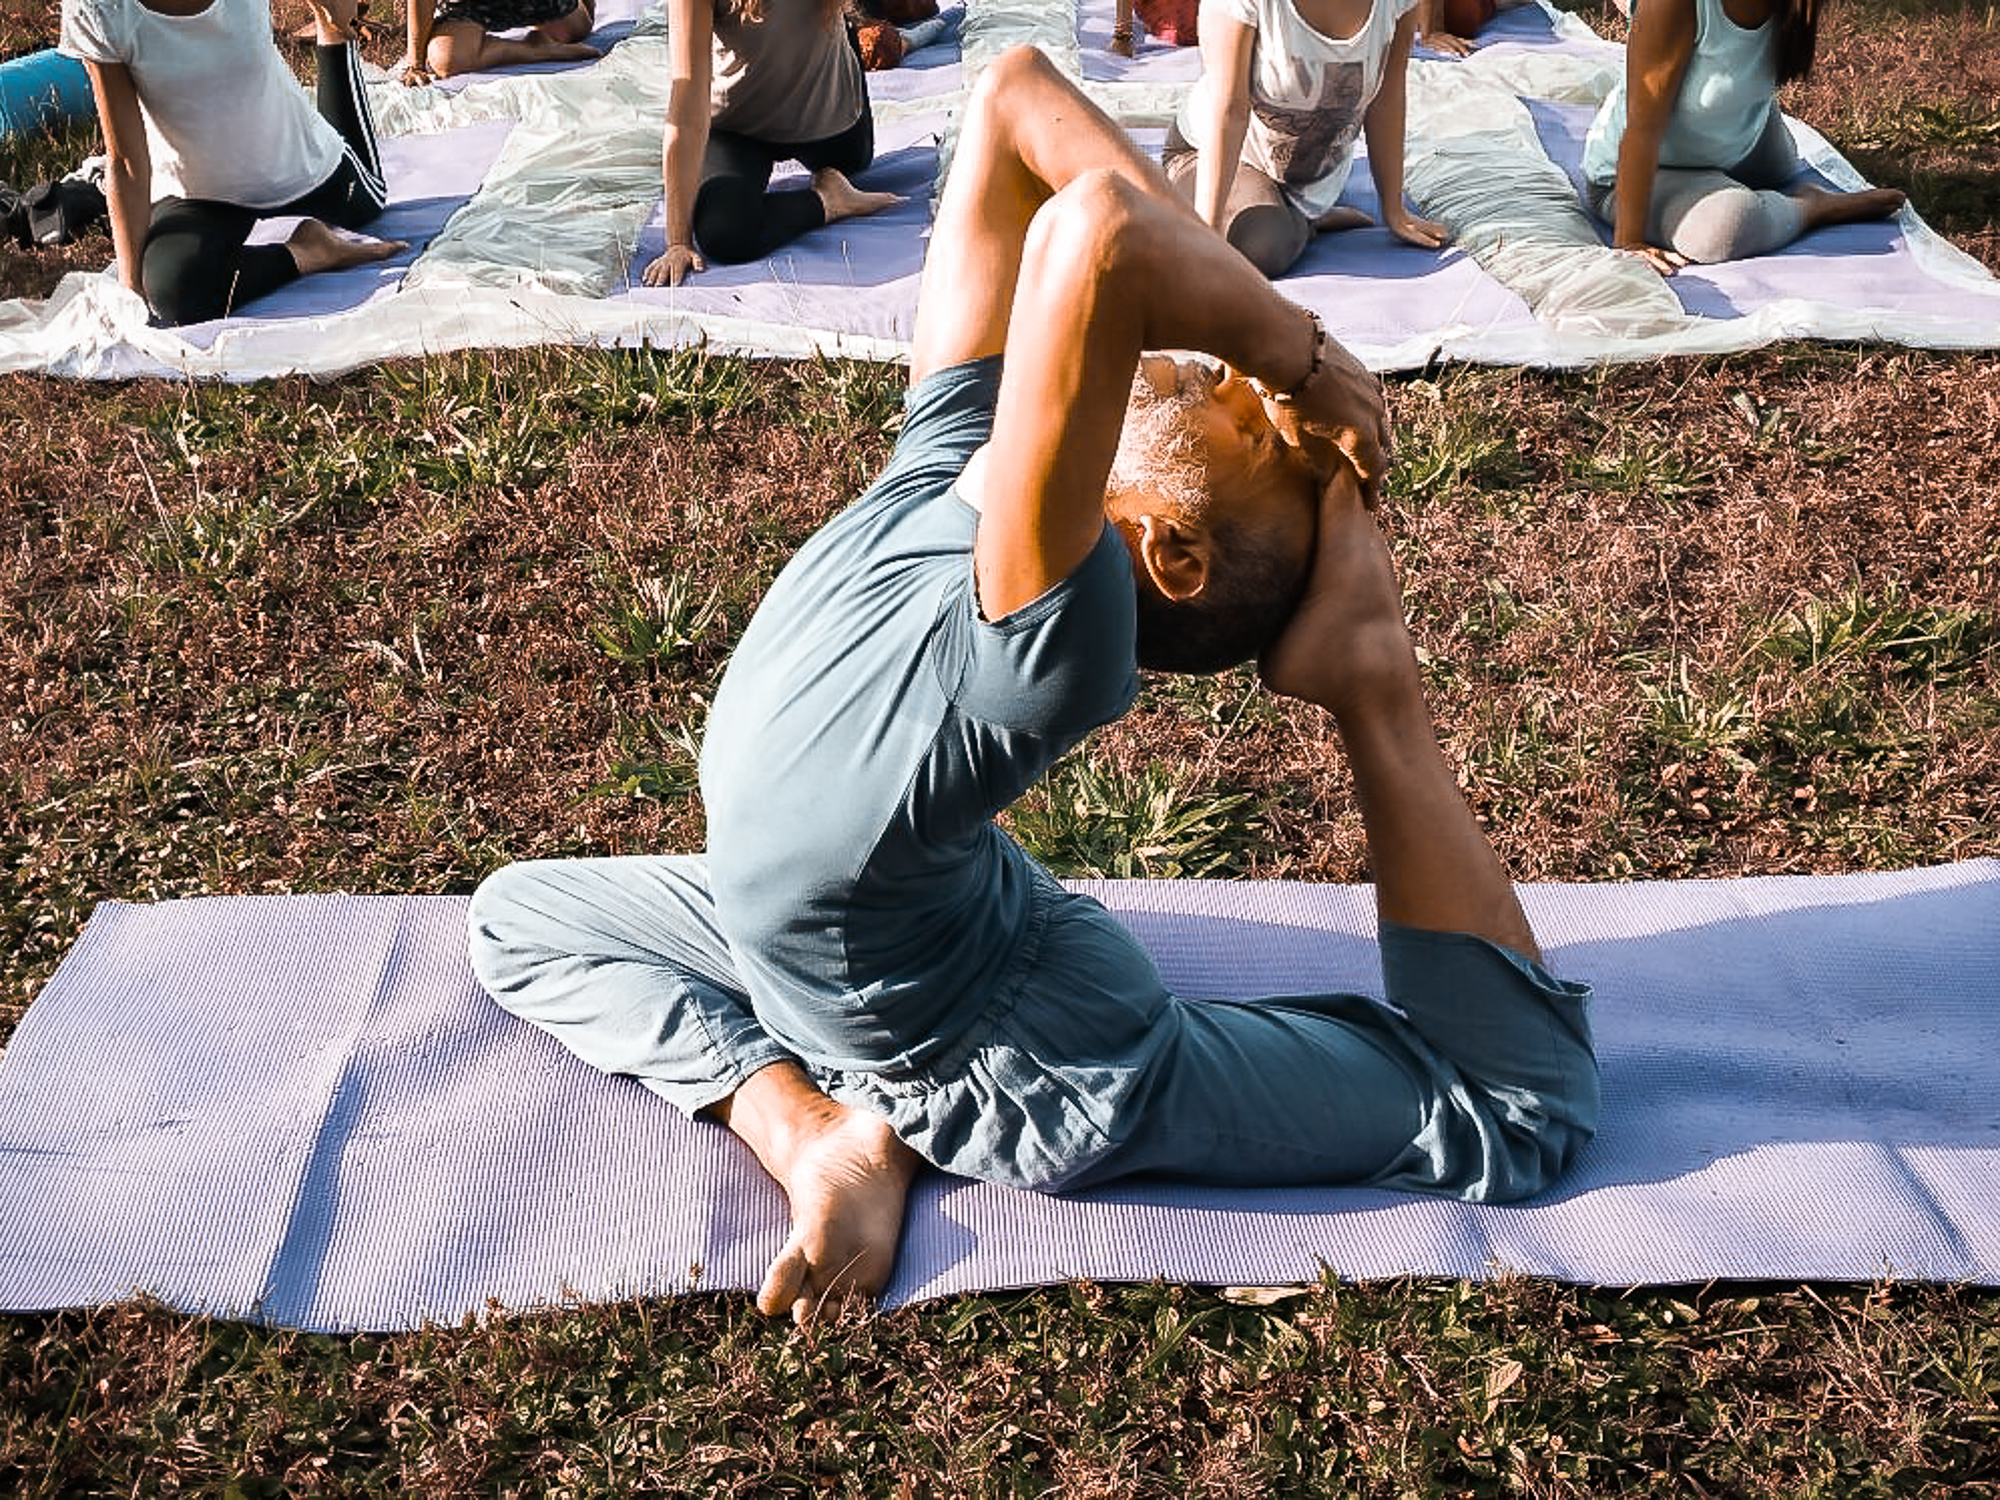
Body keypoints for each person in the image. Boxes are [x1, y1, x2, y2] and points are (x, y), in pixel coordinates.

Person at [468, 46, 1599, 1325]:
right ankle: (811, 1128)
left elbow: (1104, 234)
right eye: (1226, 375)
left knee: (1517, 1112)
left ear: (1162, 551)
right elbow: (1010, 95)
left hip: (1023, 1051)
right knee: (516, 915)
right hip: (852, 952)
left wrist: (1301, 359)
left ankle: (1368, 677)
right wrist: (1266, 345)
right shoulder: (968, 453)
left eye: (1225, 409)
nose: (1218, 361)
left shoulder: (1055, 627)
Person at [61, 0, 407, 327]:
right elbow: (125, 160)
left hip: (302, 171)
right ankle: (310, 251)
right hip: (197, 194)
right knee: (172, 291)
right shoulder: (99, 8)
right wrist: (131, 293)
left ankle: (333, 37)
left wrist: (338, 16)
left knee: (370, 204)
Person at [1582, 0, 1903, 274]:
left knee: (1781, 165)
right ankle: (1813, 206)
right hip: (1635, 175)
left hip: (1736, 146)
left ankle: (1740, 177)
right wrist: (1630, 241)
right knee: (1727, 228)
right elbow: (1642, 128)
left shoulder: (1792, 5)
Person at [1162, 0, 1446, 278]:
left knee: (1269, 235)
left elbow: (1386, 98)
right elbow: (1228, 112)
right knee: (1263, 246)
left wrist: (1394, 211)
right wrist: (1206, 235)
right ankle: (1303, 221)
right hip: (1212, 153)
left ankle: (1299, 212)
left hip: (1307, 172)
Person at [638, 0, 901, 287]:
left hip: (829, 118)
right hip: (739, 129)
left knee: (853, 160)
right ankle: (832, 200)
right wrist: (677, 242)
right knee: (725, 234)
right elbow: (687, 102)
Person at [400, 0, 598, 86]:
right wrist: (415, 64)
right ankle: (537, 50)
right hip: (470, 5)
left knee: (576, 30)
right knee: (446, 59)